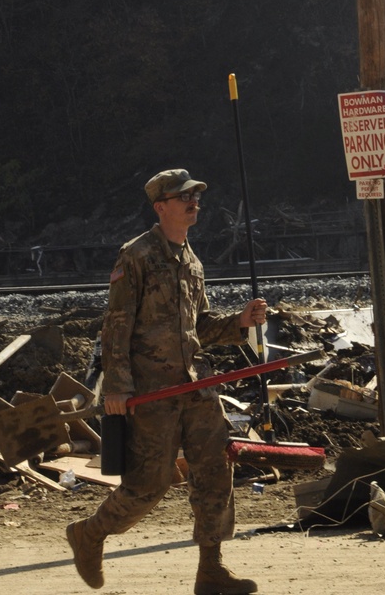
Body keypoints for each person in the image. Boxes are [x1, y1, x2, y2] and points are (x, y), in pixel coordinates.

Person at [66, 169, 267, 595]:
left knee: (215, 470)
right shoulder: (136, 255)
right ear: (161, 207)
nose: (194, 201)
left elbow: (201, 325)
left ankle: (210, 569)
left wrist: (240, 322)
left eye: (196, 195)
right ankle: (91, 533)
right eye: (184, 197)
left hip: (193, 386)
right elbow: (115, 326)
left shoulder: (193, 262)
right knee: (150, 485)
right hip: (151, 392)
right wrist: (117, 386)